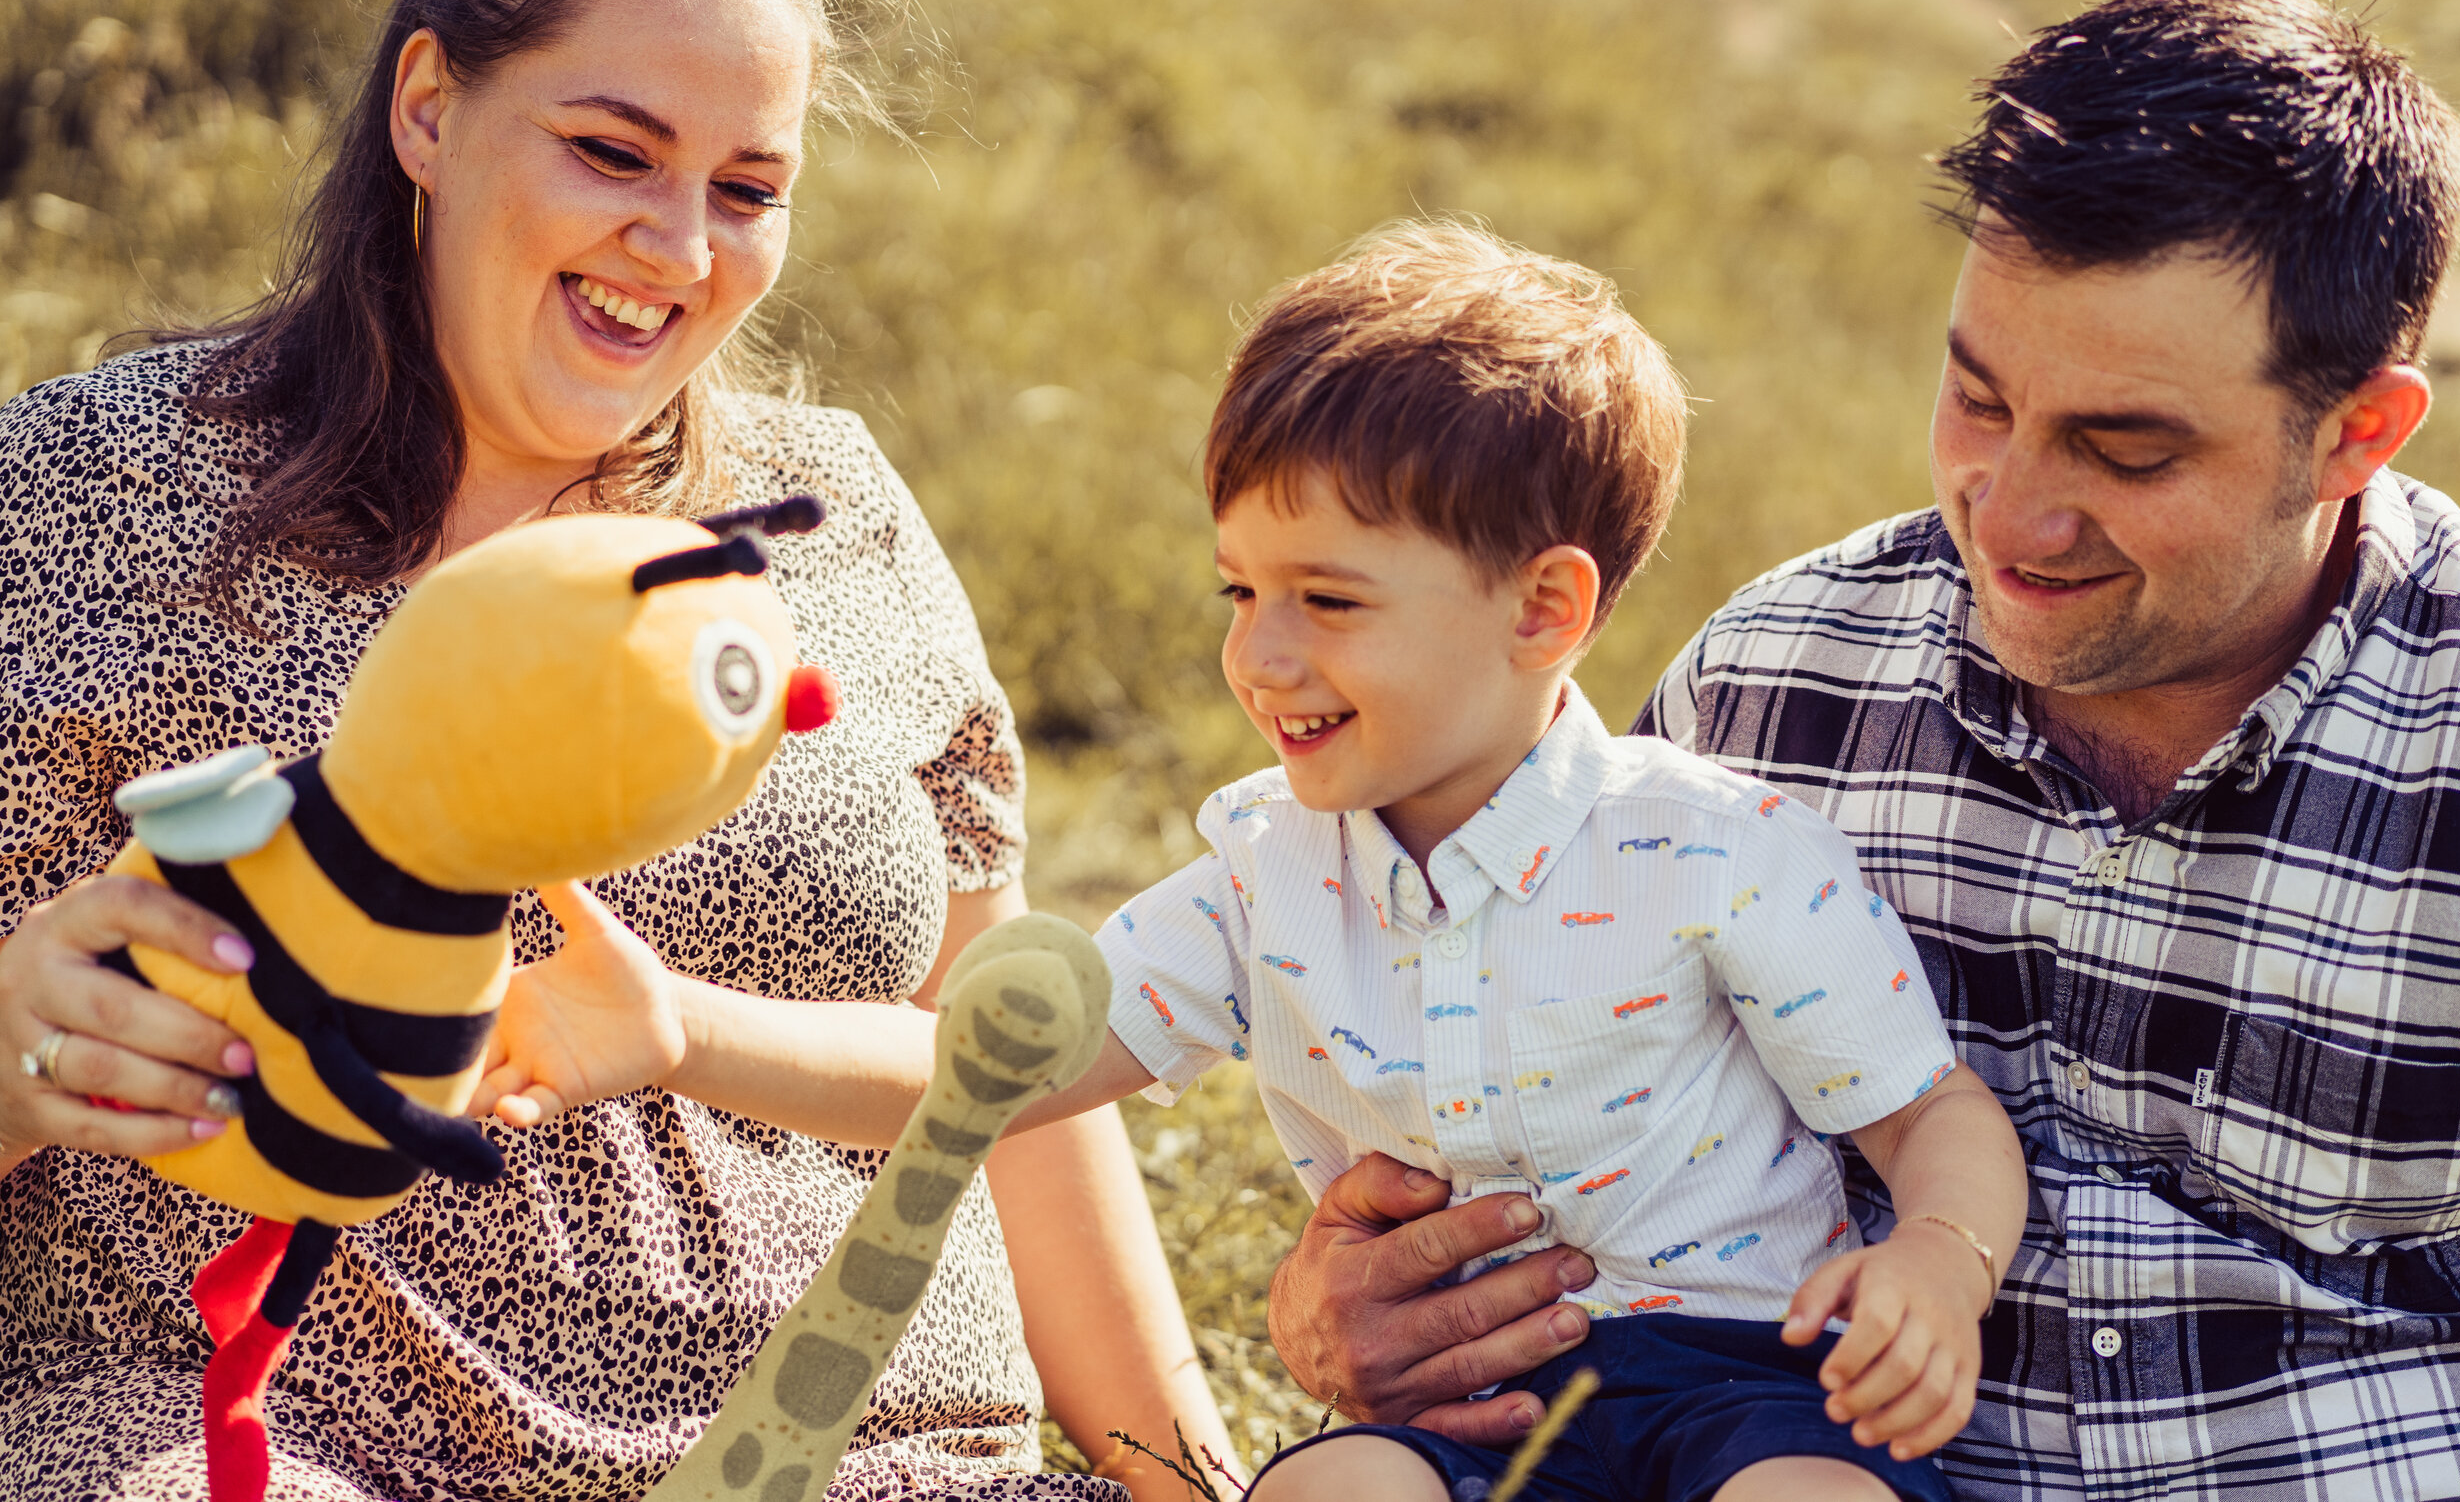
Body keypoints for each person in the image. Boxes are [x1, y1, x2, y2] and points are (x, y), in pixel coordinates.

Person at [0, 0, 1224, 1501]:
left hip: (866, 1453)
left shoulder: (833, 514)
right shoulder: (88, 495)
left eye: (749, 189)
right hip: (261, 1440)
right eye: (612, 151)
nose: (681, 244)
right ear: (429, 109)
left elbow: (1006, 1064)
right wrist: (19, 1043)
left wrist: (1186, 1473)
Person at [475, 221, 2029, 1502]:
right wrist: (681, 1031)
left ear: (1544, 609)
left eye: (1329, 601)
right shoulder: (1261, 880)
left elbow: (1929, 1117)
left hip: (1747, 1392)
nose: (1260, 655)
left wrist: (1941, 1271)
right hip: (1467, 1421)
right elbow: (987, 1073)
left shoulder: (1716, 850)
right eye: (1238, 590)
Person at [1262, 0, 2460, 1499]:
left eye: (2127, 448)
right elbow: (1538, 1098)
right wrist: (1359, 1299)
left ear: (2361, 432)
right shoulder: (1775, 685)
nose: (2015, 512)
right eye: (1978, 401)